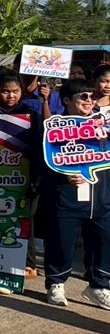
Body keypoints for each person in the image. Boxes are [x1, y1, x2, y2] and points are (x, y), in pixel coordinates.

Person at [38, 80, 110, 311]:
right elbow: (41, 162)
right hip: (66, 197)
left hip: (101, 197)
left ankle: (99, 286)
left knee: (104, 242)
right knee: (62, 241)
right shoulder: (53, 128)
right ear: (67, 100)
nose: (89, 100)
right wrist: (63, 175)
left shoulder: (103, 125)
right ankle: (56, 283)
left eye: (92, 96)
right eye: (83, 96)